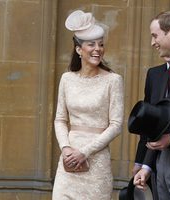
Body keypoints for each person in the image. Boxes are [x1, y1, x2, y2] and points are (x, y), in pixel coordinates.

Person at [52, 10, 124, 200]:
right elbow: (60, 119)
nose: (97, 49)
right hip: (68, 164)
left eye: (101, 44)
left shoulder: (113, 80)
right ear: (78, 50)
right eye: (91, 44)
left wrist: (84, 152)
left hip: (97, 163)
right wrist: (66, 148)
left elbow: (116, 125)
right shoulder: (67, 79)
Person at [133, 11, 170, 200]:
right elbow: (150, 124)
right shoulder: (155, 75)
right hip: (159, 167)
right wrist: (145, 166)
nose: (152, 42)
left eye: (155, 36)